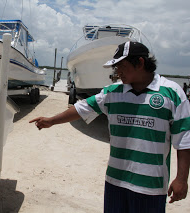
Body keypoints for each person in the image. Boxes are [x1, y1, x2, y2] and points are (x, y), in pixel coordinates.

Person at [30, 41, 190, 212]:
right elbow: (82, 108)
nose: (117, 72)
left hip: (150, 186)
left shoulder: (172, 93)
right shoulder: (112, 93)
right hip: (115, 181)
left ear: (141, 63)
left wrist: (181, 179)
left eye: (121, 66)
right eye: (116, 67)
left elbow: (184, 141)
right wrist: (52, 121)